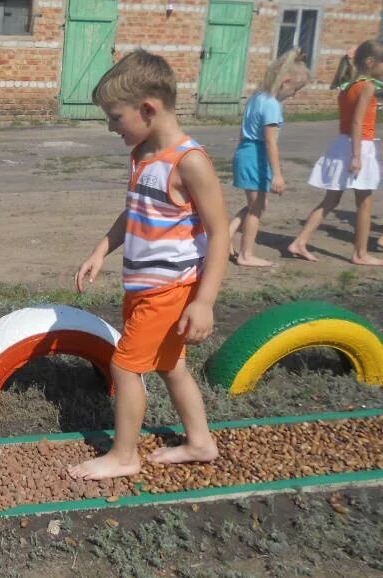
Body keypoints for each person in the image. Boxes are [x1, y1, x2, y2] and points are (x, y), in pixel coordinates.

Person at [71, 50, 229, 480]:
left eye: (115, 116)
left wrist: (204, 302)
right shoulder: (142, 154)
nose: (111, 126)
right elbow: (135, 212)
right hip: (142, 287)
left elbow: (220, 233)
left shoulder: (189, 162)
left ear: (148, 109)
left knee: (125, 365)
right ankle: (200, 441)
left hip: (170, 289)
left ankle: (124, 455)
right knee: (168, 364)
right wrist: (103, 248)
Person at [288, 40, 383, 266]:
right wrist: (357, 155)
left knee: (330, 199)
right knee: (364, 202)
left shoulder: (347, 84)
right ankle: (360, 253)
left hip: (342, 144)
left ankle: (300, 242)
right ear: (370, 63)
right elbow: (358, 122)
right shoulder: (367, 86)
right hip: (358, 145)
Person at [227, 49, 311, 267]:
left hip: (245, 152)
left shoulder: (257, 97)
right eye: (295, 89)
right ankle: (246, 255)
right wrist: (277, 175)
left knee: (257, 204)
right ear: (285, 81)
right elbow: (270, 141)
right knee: (256, 209)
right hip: (256, 157)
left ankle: (226, 235)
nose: (294, 95)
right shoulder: (272, 104)